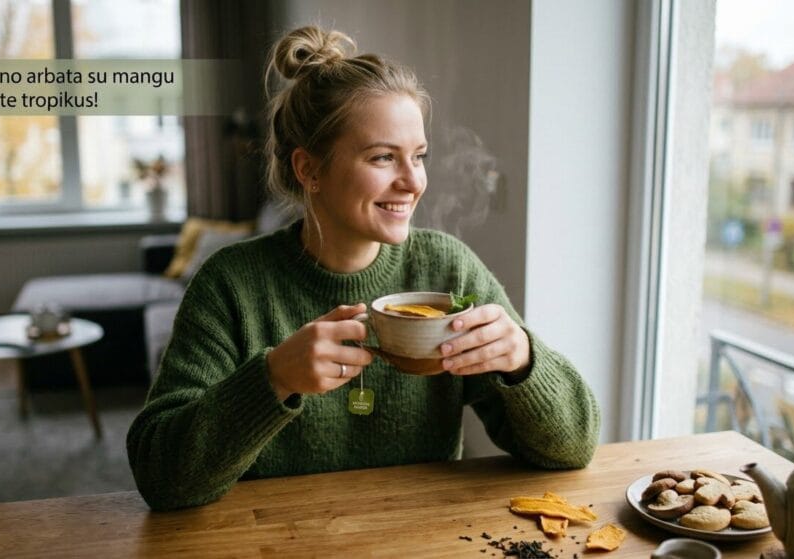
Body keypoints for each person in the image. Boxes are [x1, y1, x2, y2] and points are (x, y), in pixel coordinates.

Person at [127, 25, 600, 511]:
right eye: (382, 158)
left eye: (418, 156)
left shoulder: (447, 270)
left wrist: (523, 360)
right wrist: (274, 379)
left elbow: (572, 449)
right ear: (309, 170)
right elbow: (161, 477)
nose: (413, 182)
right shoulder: (232, 284)